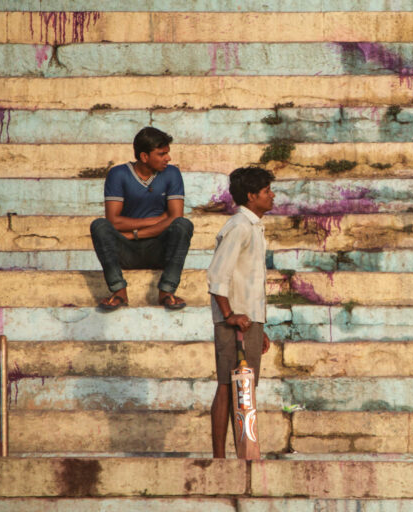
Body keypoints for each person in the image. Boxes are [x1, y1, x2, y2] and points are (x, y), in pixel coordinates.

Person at [207, 166, 275, 458]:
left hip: (249, 320)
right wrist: (229, 315)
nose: (272, 196)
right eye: (266, 192)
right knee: (226, 384)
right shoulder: (239, 227)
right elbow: (217, 276)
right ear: (251, 196)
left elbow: (250, 283)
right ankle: (219, 456)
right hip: (234, 321)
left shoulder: (255, 227)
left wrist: (260, 327)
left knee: (243, 386)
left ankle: (242, 452)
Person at [90, 127, 194, 311]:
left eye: (167, 153)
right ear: (144, 156)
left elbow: (176, 218)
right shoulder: (118, 174)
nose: (168, 158)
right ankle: (118, 290)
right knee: (99, 226)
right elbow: (113, 221)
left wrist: (134, 233)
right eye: (161, 154)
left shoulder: (172, 173)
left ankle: (167, 290)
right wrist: (157, 221)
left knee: (183, 225)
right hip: (126, 250)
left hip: (158, 248)